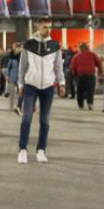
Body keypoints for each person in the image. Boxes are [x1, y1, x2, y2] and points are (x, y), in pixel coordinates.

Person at [17, 19, 66, 164]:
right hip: (30, 85)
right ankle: (22, 150)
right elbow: (22, 66)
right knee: (26, 118)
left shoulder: (55, 46)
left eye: (50, 27)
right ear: (38, 26)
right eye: (45, 27)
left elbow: (58, 67)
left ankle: (41, 150)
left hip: (48, 86)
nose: (48, 29)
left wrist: (61, 83)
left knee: (45, 120)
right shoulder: (28, 44)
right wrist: (20, 83)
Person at [70, 43, 102, 110]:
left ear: (80, 48)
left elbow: (73, 67)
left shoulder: (77, 56)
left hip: (81, 75)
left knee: (80, 91)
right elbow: (98, 63)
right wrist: (100, 72)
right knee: (90, 90)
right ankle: (90, 103)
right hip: (90, 75)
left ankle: (80, 105)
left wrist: (75, 75)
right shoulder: (92, 54)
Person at [5, 43, 22, 112]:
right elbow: (8, 67)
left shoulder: (22, 56)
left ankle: (19, 105)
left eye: (18, 48)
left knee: (21, 92)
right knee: (12, 92)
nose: (17, 49)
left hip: (21, 77)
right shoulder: (12, 56)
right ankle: (11, 106)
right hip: (12, 76)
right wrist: (7, 76)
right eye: (16, 48)